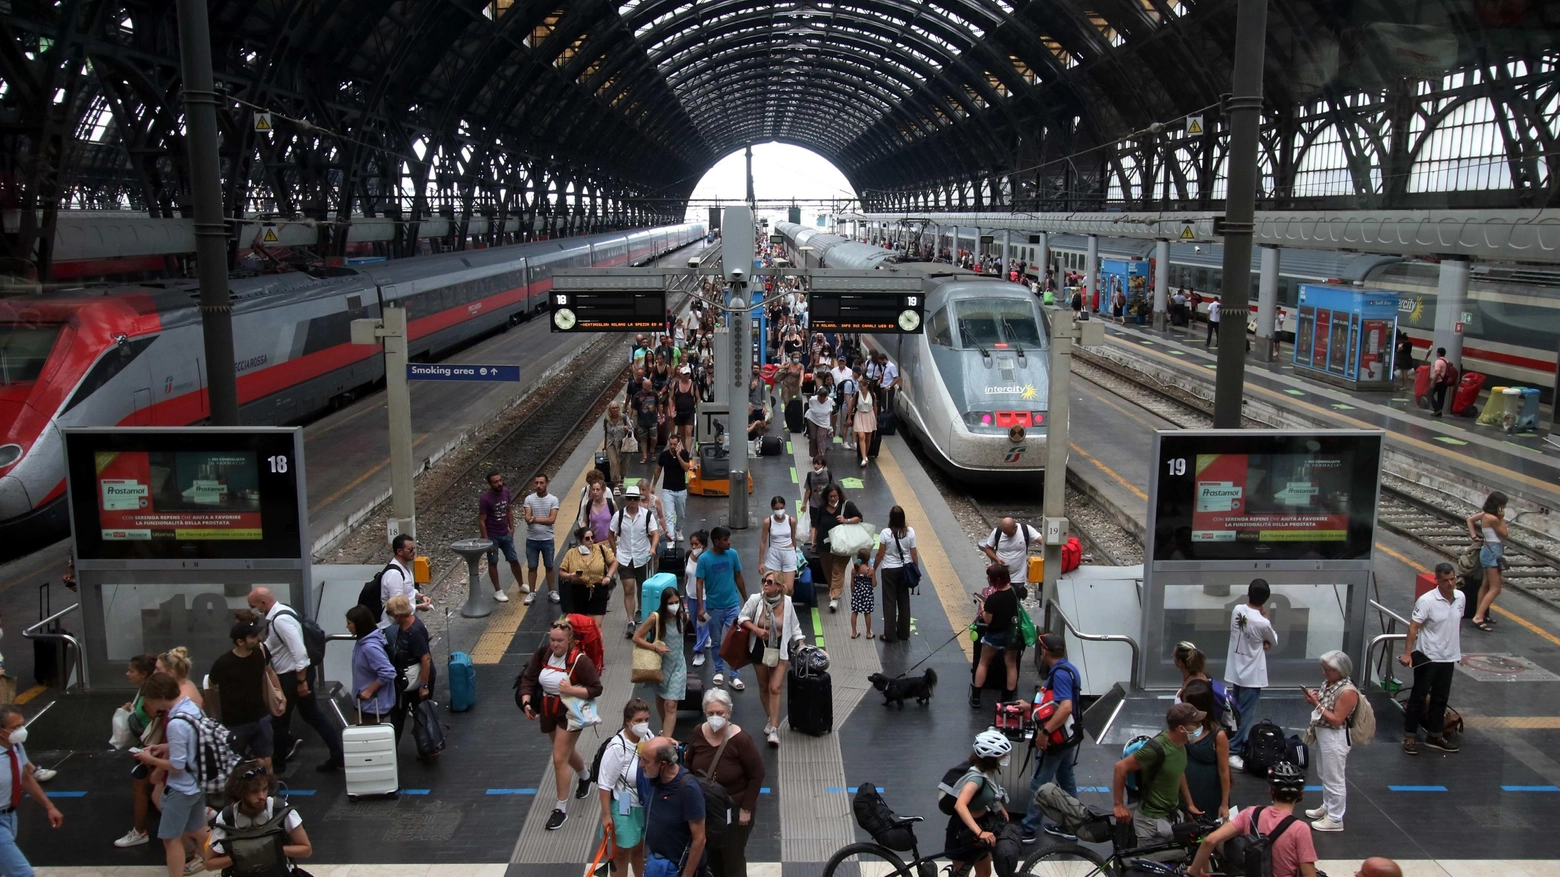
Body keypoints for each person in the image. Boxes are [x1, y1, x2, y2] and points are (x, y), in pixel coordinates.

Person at [519, 619, 604, 830]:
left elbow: (596, 688)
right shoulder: (543, 653)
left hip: (570, 713)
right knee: (565, 751)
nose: (555, 645)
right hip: (548, 711)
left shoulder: (581, 661)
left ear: (570, 640)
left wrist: (572, 690)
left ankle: (560, 809)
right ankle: (585, 776)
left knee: (559, 758)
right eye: (552, 640)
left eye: (559, 641)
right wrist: (526, 702)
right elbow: (528, 678)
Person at [248, 586, 345, 774]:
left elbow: (299, 653)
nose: (254, 610)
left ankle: (278, 764)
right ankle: (337, 753)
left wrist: (301, 682)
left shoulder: (281, 620)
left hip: (293, 677)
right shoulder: (283, 612)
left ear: (263, 602)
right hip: (297, 675)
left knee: (280, 719)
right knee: (313, 716)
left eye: (254, 606)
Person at [134, 673, 211, 877]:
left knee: (170, 838)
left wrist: (150, 760)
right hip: (198, 782)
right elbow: (192, 742)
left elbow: (177, 765)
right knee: (197, 828)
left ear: (159, 696)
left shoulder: (176, 722)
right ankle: (220, 855)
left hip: (181, 788)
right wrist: (165, 746)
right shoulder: (192, 709)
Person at [1188, 762, 1317, 877]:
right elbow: (1308, 873)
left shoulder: (1250, 814)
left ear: (1271, 791)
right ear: (1301, 794)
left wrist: (1195, 871)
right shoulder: (1300, 828)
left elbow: (1210, 840)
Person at [686, 689, 765, 875]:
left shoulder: (741, 740)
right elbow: (688, 766)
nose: (715, 717)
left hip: (734, 809)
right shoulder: (698, 733)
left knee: (732, 859)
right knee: (711, 858)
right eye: (710, 713)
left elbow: (757, 774)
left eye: (719, 713)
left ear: (728, 713)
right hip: (706, 809)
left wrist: (746, 809)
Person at [1111, 703, 1203, 847]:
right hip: (1151, 823)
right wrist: (1118, 805)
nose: (1199, 726)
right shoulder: (1156, 749)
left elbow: (1179, 772)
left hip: (1172, 818)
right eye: (1195, 724)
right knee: (1153, 866)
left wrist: (1189, 804)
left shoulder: (1181, 744)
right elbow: (1120, 767)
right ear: (1181, 728)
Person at [1018, 633, 1081, 843]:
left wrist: (1044, 733)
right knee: (1066, 780)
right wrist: (1031, 706)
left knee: (1040, 781)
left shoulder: (1060, 674)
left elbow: (1065, 707)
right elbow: (1054, 702)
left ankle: (1028, 829)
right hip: (1069, 736)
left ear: (1045, 651)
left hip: (1055, 738)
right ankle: (1072, 825)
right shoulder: (1070, 669)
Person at [203, 761, 312, 875]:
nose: (262, 796)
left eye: (264, 789)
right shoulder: (227, 817)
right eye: (254, 791)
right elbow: (210, 863)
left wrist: (274, 851)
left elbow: (306, 849)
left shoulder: (280, 810)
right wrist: (242, 856)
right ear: (241, 792)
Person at [1400, 562, 1463, 755]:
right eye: (1445, 581)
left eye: (1452, 579)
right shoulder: (1427, 601)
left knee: (1440, 697)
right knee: (1418, 697)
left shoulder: (1460, 597)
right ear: (1437, 580)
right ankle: (1410, 735)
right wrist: (1408, 653)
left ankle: (1435, 735)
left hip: (1448, 657)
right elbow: (1414, 627)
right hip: (1428, 656)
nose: (1450, 583)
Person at [738, 574, 805, 748]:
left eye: (770, 582)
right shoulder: (756, 599)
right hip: (759, 647)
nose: (765, 585)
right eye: (764, 581)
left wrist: (800, 642)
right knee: (763, 686)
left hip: (779, 648)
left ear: (779, 587)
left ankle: (774, 728)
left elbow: (794, 625)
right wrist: (756, 629)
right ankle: (770, 717)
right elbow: (742, 618)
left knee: (774, 688)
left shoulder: (787, 603)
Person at [0, 705, 63, 876]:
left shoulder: (15, 746)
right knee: (22, 873)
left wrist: (49, 806)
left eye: (22, 725)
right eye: (15, 728)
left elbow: (25, 778)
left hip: (9, 816)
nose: (21, 731)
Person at [1303, 650, 1359, 832]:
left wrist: (1316, 704)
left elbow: (1336, 719)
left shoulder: (1348, 691)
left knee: (1334, 778)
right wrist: (1314, 699)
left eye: (1328, 670)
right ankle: (1328, 806)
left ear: (1340, 671)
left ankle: (1335, 819)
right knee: (1324, 774)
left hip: (1335, 737)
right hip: (1324, 734)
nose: (1324, 673)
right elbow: (1326, 706)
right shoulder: (1330, 684)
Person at [1225, 578, 1277, 771]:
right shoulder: (1262, 622)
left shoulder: (1237, 610)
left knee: (1236, 712)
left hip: (1236, 670)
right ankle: (1233, 751)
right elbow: (1273, 639)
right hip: (1252, 675)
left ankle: (1234, 743)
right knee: (1246, 714)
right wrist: (1265, 639)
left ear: (1248, 593)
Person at [635, 737, 706, 877]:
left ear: (663, 764)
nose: (641, 764)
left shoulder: (688, 789)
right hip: (655, 865)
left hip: (676, 869)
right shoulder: (654, 779)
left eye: (646, 761)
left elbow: (700, 838)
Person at [598, 699, 655, 877]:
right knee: (620, 853)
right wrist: (607, 815)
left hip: (644, 805)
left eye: (646, 719)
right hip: (624, 808)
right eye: (638, 721)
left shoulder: (647, 737)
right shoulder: (616, 747)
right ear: (627, 722)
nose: (643, 724)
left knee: (640, 850)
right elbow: (605, 784)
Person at [207, 620, 275, 767]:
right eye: (253, 636)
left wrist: (278, 694)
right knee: (235, 762)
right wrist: (212, 712)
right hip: (235, 722)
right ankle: (242, 789)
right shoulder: (224, 663)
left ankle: (268, 788)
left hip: (260, 717)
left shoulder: (260, 653)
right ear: (240, 641)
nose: (259, 639)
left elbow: (268, 672)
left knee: (266, 758)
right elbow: (210, 685)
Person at [947, 730, 1012, 877]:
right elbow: (960, 805)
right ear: (990, 757)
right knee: (961, 873)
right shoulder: (975, 779)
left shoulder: (989, 772)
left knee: (984, 872)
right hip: (964, 830)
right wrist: (980, 832)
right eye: (1002, 755)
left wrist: (1000, 808)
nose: (1005, 757)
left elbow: (992, 792)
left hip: (981, 824)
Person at [114, 654, 161, 849]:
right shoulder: (144, 691)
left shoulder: (149, 697)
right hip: (149, 750)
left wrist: (153, 753)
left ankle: (140, 832)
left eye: (131, 671)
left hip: (150, 751)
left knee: (140, 789)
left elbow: (157, 724)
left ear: (143, 674)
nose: (127, 674)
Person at [696, 526, 749, 691]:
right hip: (713, 607)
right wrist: (700, 607)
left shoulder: (732, 554)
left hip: (732, 604)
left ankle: (734, 674)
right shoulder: (704, 559)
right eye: (725, 540)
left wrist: (746, 600)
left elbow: (738, 576)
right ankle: (718, 670)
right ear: (716, 541)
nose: (729, 543)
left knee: (736, 640)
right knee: (716, 641)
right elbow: (699, 582)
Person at [633, 588, 688, 739]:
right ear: (664, 604)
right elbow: (637, 637)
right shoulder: (655, 618)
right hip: (661, 665)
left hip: (678, 665)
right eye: (671, 603)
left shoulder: (683, 617)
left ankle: (666, 740)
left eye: (677, 602)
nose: (675, 606)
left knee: (670, 704)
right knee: (661, 697)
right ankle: (665, 728)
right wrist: (654, 647)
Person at [1179, 679, 1231, 822]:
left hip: (1209, 794)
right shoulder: (1180, 727)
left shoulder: (1217, 735)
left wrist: (1224, 804)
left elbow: (1224, 770)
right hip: (1184, 793)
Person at [613, 485, 661, 639]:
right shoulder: (619, 515)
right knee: (628, 588)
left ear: (638, 499)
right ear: (626, 499)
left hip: (642, 557)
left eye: (635, 498)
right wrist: (616, 550)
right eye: (630, 498)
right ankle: (631, 621)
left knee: (643, 587)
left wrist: (652, 548)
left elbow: (655, 534)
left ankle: (641, 609)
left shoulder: (647, 515)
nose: (632, 501)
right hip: (625, 558)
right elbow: (610, 533)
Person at [384, 594, 433, 743]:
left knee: (416, 718)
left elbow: (426, 659)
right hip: (409, 680)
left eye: (391, 613)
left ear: (399, 615)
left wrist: (424, 686)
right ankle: (426, 747)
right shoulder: (405, 627)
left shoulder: (414, 632)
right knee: (411, 717)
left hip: (415, 681)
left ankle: (427, 747)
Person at [971, 564, 1020, 708]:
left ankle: (976, 697)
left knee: (983, 662)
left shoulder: (993, 599)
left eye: (989, 577)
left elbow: (988, 619)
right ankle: (1008, 698)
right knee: (1011, 665)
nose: (987, 578)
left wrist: (983, 606)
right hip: (1011, 635)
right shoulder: (1013, 593)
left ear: (995, 579)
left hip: (994, 635)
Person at [810, 484, 862, 613]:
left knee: (838, 570)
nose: (833, 499)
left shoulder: (847, 505)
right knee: (828, 570)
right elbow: (816, 525)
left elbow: (859, 518)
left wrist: (846, 520)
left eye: (835, 496)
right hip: (824, 544)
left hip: (843, 545)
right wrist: (814, 541)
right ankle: (834, 589)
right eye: (830, 496)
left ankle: (834, 597)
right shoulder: (822, 508)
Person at [871, 505, 920, 644]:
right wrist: (917, 570)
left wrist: (874, 568)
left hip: (889, 570)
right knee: (904, 601)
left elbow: (880, 554)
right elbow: (914, 553)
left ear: (891, 518)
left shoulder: (886, 533)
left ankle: (890, 635)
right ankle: (904, 633)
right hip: (905, 570)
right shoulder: (910, 532)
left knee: (889, 602)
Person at [347, 604, 396, 725]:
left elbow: (388, 672)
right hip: (364, 703)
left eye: (349, 623)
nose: (347, 627)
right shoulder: (363, 642)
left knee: (366, 740)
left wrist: (369, 691)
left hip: (372, 704)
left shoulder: (370, 647)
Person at [561, 526, 619, 626]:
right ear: (580, 540)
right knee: (581, 625)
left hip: (598, 590)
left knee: (596, 625)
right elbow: (562, 571)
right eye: (587, 538)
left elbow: (614, 562)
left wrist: (608, 576)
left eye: (592, 537)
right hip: (578, 591)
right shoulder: (571, 553)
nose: (591, 540)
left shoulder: (601, 549)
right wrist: (570, 576)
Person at [479, 473, 523, 603]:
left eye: (500, 480)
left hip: (505, 533)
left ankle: (521, 584)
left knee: (514, 559)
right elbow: (482, 520)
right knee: (493, 562)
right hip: (493, 536)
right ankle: (498, 590)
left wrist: (512, 528)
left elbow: (508, 510)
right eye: (495, 482)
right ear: (490, 484)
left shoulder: (505, 492)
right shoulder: (485, 499)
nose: (499, 484)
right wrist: (486, 539)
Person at [1468, 490, 1508, 631]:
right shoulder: (1494, 519)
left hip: (1487, 550)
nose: (1504, 509)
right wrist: (1502, 519)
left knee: (1485, 585)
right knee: (1495, 588)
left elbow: (1470, 519)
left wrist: (1474, 535)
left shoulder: (1485, 515)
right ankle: (1478, 617)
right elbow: (1504, 534)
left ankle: (1481, 613)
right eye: (1502, 506)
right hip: (1493, 553)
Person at [523, 474, 562, 606]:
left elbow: (552, 519)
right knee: (532, 566)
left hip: (547, 539)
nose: (538, 486)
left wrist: (536, 519)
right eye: (536, 483)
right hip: (532, 539)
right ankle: (532, 592)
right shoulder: (529, 499)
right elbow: (527, 518)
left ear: (546, 484)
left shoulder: (553, 499)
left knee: (549, 566)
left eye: (541, 483)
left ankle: (552, 591)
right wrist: (537, 520)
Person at [980, 518, 1041, 595]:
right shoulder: (997, 532)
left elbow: (1041, 539)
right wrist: (997, 559)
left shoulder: (1025, 529)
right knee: (997, 600)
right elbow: (988, 548)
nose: (1008, 535)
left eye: (1010, 533)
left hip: (1017, 577)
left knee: (1014, 600)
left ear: (1015, 527)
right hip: (999, 576)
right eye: (1005, 533)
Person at [380, 534, 432, 624]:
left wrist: (421, 596)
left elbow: (408, 590)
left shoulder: (405, 567)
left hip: (406, 621)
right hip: (394, 625)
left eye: (414, 548)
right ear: (400, 551)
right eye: (410, 549)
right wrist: (419, 606)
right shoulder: (394, 574)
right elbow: (397, 606)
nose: (414, 551)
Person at [654, 433, 692, 544]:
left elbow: (686, 468)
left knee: (681, 514)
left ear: (679, 444)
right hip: (667, 489)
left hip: (681, 489)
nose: (672, 446)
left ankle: (678, 530)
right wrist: (653, 485)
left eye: (674, 444)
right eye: (670, 444)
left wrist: (678, 456)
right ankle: (670, 538)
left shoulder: (684, 454)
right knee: (669, 515)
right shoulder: (664, 455)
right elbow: (658, 470)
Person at [757, 495, 799, 595]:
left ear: (784, 507)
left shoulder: (791, 521)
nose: (779, 510)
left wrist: (795, 553)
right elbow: (763, 542)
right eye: (776, 509)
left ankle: (787, 604)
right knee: (776, 585)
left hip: (789, 553)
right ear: (772, 509)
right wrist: (761, 562)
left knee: (789, 587)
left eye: (781, 508)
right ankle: (778, 606)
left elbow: (793, 538)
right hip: (774, 554)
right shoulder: (768, 522)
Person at [685, 530, 711, 668]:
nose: (694, 547)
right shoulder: (689, 556)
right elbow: (687, 576)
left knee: (701, 624)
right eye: (692, 544)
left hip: (705, 597)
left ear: (703, 545)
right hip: (691, 596)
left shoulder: (707, 559)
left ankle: (699, 652)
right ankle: (705, 639)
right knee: (696, 625)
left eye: (697, 544)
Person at [156, 647, 203, 712]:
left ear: (170, 673)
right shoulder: (188, 682)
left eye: (158, 669)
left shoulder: (181, 699)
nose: (154, 673)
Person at [576, 477, 618, 546]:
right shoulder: (588, 504)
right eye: (593, 490)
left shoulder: (611, 503)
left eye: (598, 490)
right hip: (594, 543)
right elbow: (585, 521)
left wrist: (616, 533)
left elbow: (618, 520)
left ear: (603, 490)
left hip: (610, 542)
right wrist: (582, 532)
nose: (595, 492)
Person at [670, 365, 699, 450]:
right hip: (679, 412)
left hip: (690, 412)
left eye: (688, 374)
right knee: (682, 433)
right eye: (685, 374)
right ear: (680, 375)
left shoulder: (693, 385)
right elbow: (671, 398)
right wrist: (671, 410)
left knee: (688, 432)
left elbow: (698, 398)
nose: (686, 376)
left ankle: (687, 452)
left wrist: (698, 411)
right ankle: (685, 449)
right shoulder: (675, 385)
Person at [849, 548, 875, 640]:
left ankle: (854, 632)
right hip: (867, 594)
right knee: (867, 612)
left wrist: (853, 592)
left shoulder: (854, 570)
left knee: (854, 611)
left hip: (857, 593)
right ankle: (868, 633)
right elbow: (874, 584)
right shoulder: (870, 570)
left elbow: (852, 584)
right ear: (868, 559)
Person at [633, 378, 660, 463]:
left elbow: (658, 405)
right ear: (644, 386)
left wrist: (661, 416)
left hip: (652, 420)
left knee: (654, 438)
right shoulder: (637, 395)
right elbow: (632, 407)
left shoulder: (654, 394)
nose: (651, 386)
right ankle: (644, 456)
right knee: (643, 439)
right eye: (649, 385)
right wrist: (629, 418)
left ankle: (652, 448)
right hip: (642, 421)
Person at [604, 401, 630, 488]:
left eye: (616, 407)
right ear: (609, 409)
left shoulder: (624, 418)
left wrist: (627, 429)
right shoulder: (606, 420)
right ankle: (615, 483)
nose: (615, 410)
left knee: (623, 462)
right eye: (613, 408)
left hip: (623, 443)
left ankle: (622, 477)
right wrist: (605, 445)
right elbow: (606, 432)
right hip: (611, 443)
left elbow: (631, 428)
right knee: (614, 462)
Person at [852, 376, 878, 467]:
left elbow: (874, 407)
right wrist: (849, 418)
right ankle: (864, 458)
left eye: (861, 386)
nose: (860, 387)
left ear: (866, 386)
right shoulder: (857, 394)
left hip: (869, 416)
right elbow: (852, 405)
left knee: (868, 438)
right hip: (859, 415)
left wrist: (875, 418)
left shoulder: (873, 395)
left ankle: (865, 455)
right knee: (861, 436)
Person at [804, 388, 833, 459]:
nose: (821, 400)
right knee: (813, 437)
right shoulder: (812, 400)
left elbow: (830, 414)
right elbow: (811, 409)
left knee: (821, 437)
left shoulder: (830, 401)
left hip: (824, 422)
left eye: (823, 398)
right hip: (813, 419)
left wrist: (830, 427)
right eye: (820, 398)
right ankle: (814, 454)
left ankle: (820, 455)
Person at [801, 456, 832, 522]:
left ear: (823, 465)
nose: (815, 466)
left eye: (818, 464)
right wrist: (804, 503)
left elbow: (833, 489)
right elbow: (808, 490)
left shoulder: (828, 474)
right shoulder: (810, 475)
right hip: (813, 504)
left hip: (826, 504)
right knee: (814, 523)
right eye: (814, 464)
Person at [1430, 347, 1453, 416]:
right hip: (1445, 382)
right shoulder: (1447, 361)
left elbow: (1437, 373)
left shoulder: (1438, 361)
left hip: (1438, 381)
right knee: (1441, 397)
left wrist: (1433, 382)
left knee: (1429, 394)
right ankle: (1439, 412)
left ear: (1438, 353)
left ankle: (1437, 409)